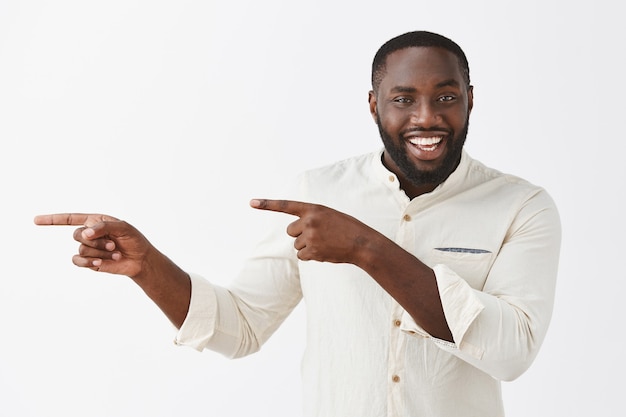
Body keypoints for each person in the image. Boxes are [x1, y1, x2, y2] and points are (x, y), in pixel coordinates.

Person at [34, 30, 561, 416]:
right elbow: (240, 328)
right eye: (404, 99)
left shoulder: (521, 206)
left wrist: (365, 248)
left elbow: (510, 353)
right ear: (374, 106)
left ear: (471, 101)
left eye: (447, 97)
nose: (427, 117)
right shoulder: (318, 194)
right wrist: (148, 267)